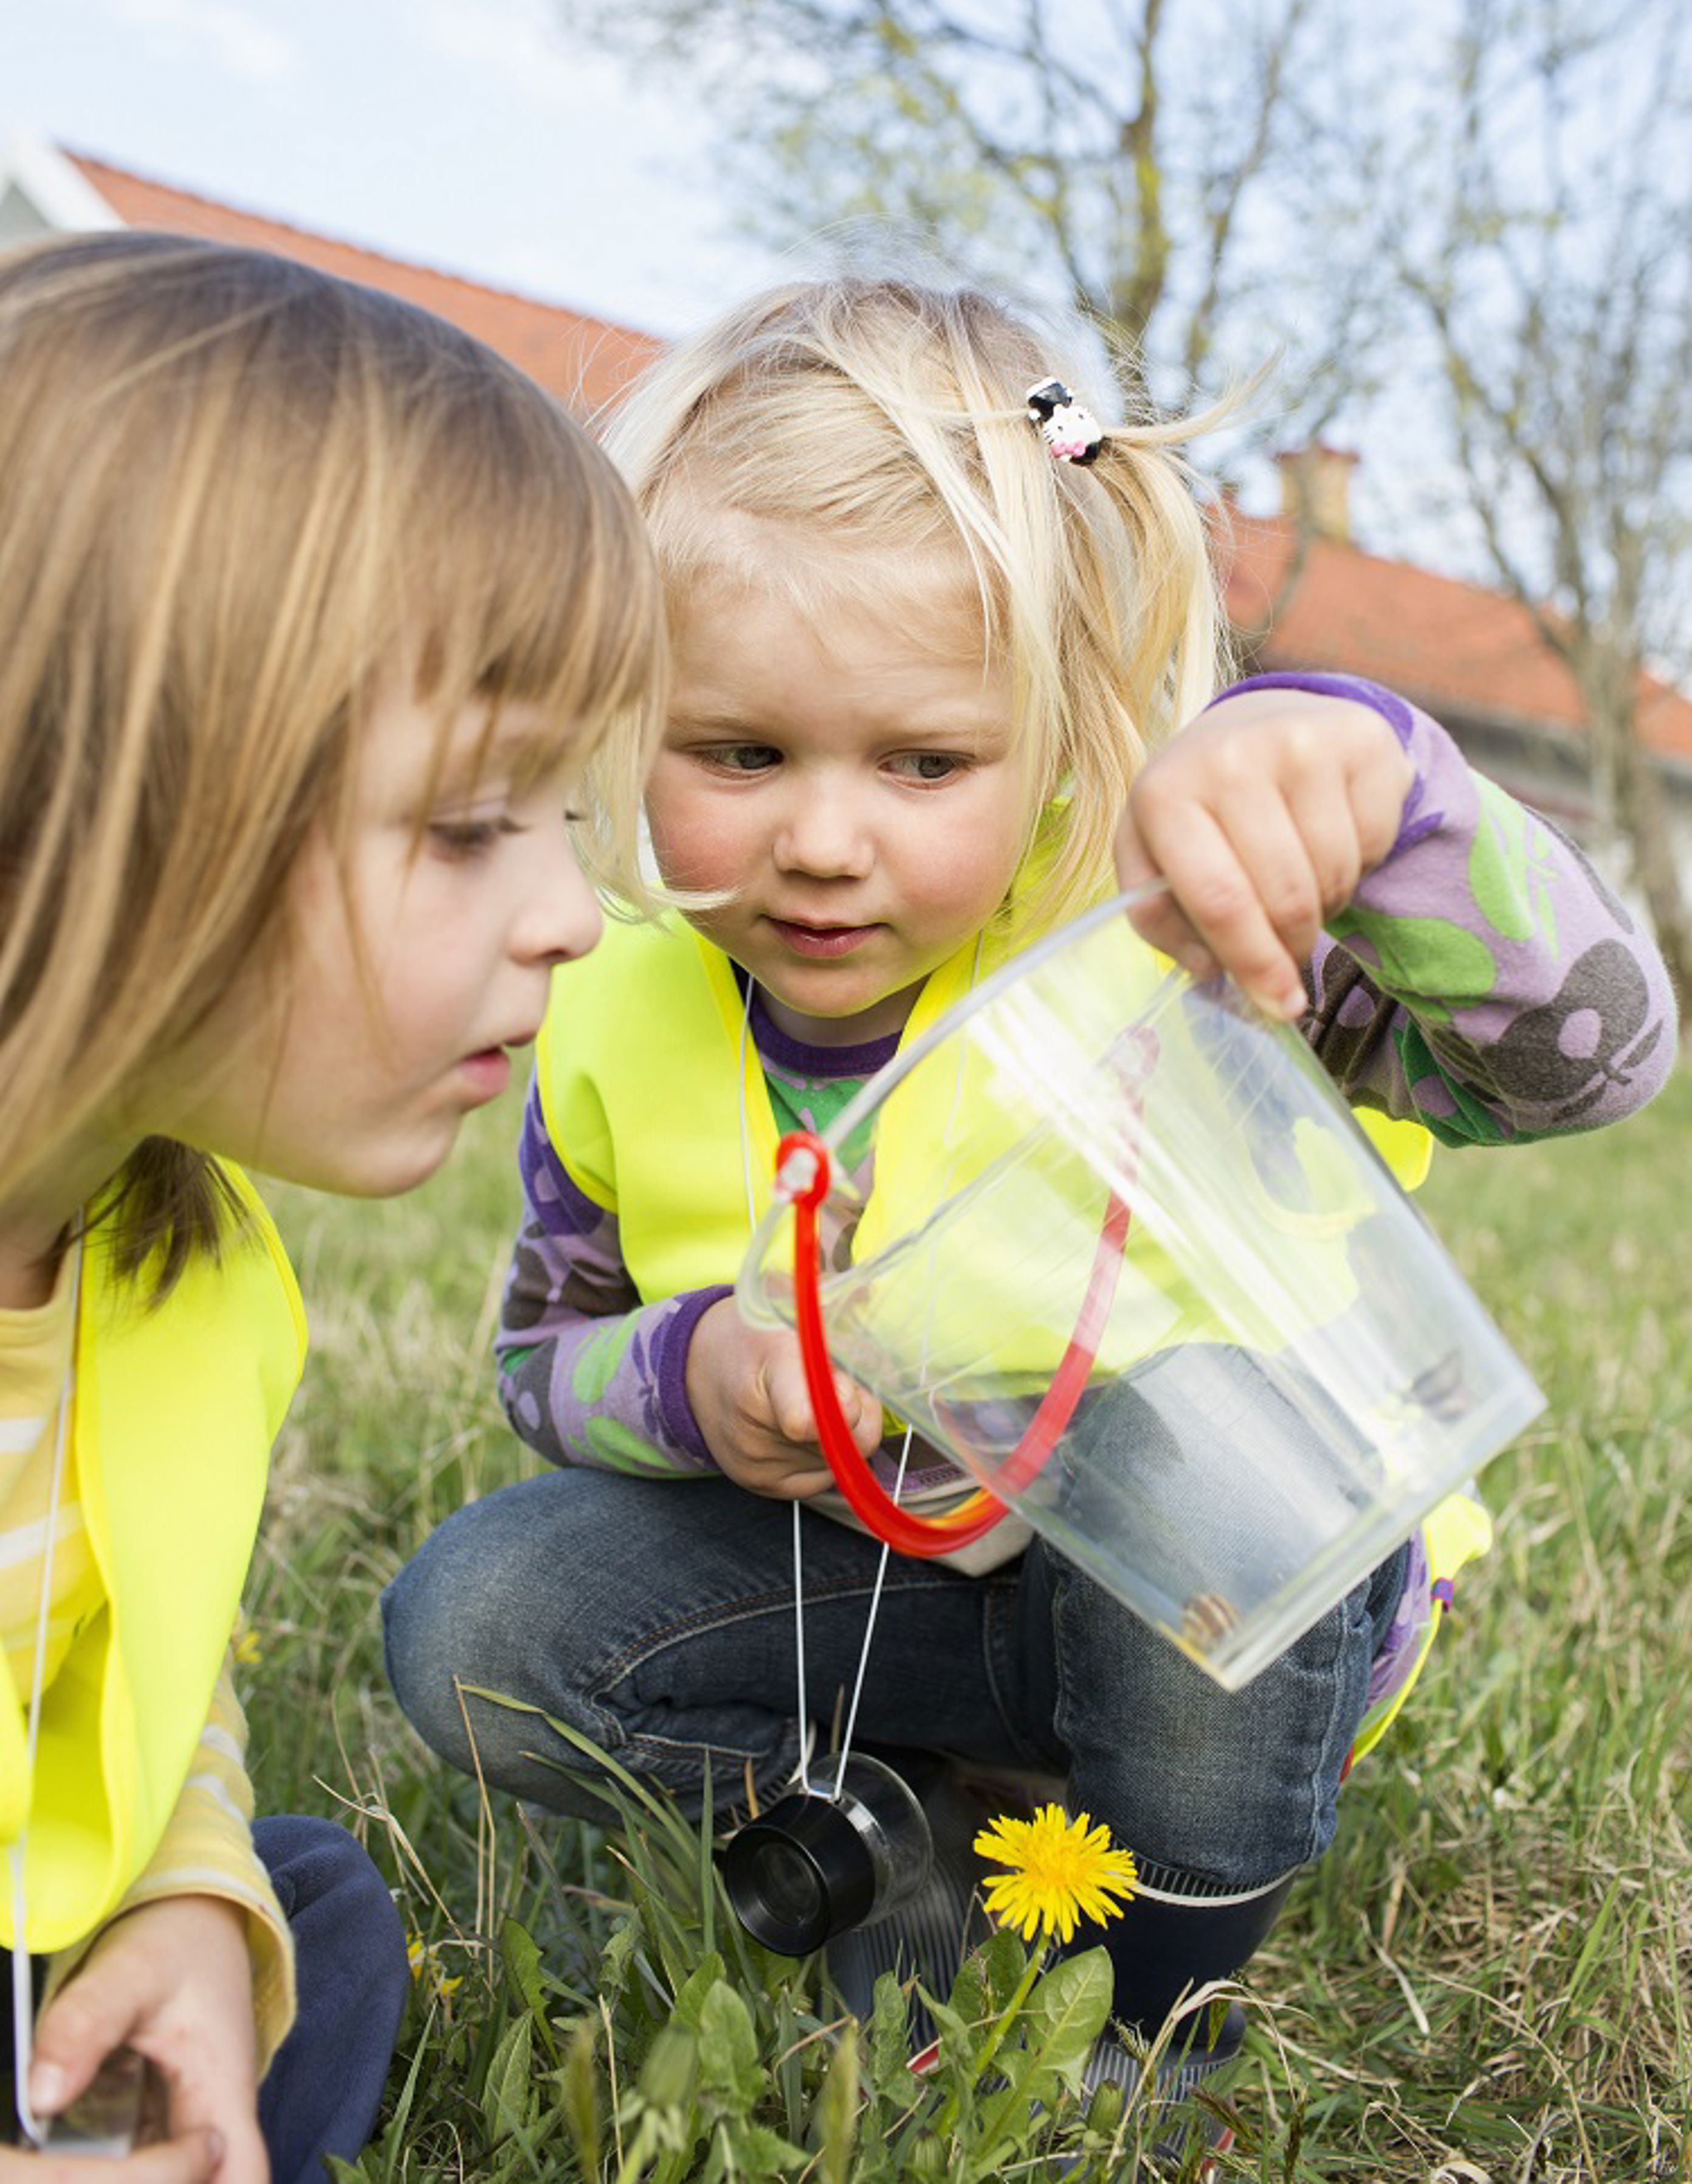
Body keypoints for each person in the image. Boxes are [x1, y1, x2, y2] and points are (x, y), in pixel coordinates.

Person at [382, 274, 1674, 2136]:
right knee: (475, 1618)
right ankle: (904, 1843)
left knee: (1193, 1453)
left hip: (1229, 1606)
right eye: (738, 753)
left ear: (1061, 728)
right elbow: (539, 1358)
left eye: (926, 763)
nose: (827, 839)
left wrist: (1391, 801)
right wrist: (692, 1378)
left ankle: (1159, 2016)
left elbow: (1585, 1064)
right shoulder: (612, 997)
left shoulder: (1186, 938)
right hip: (878, 1598)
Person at [0, 232, 664, 2182]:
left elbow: (133, 1688)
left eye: (563, 817)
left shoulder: (168, 1277)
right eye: (467, 826)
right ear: (85, 809)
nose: (573, 914)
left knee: (311, 1908)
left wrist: (182, 1904)